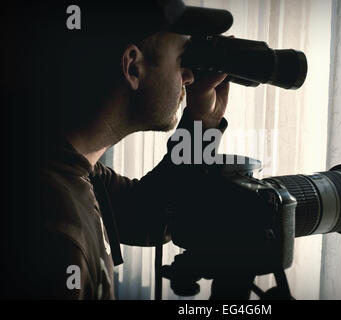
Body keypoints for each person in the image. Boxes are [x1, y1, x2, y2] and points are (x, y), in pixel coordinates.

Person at [2, 1, 234, 299]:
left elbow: (155, 214)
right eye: (181, 59)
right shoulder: (56, 237)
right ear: (133, 67)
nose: (189, 77)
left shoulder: (69, 167)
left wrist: (201, 124)